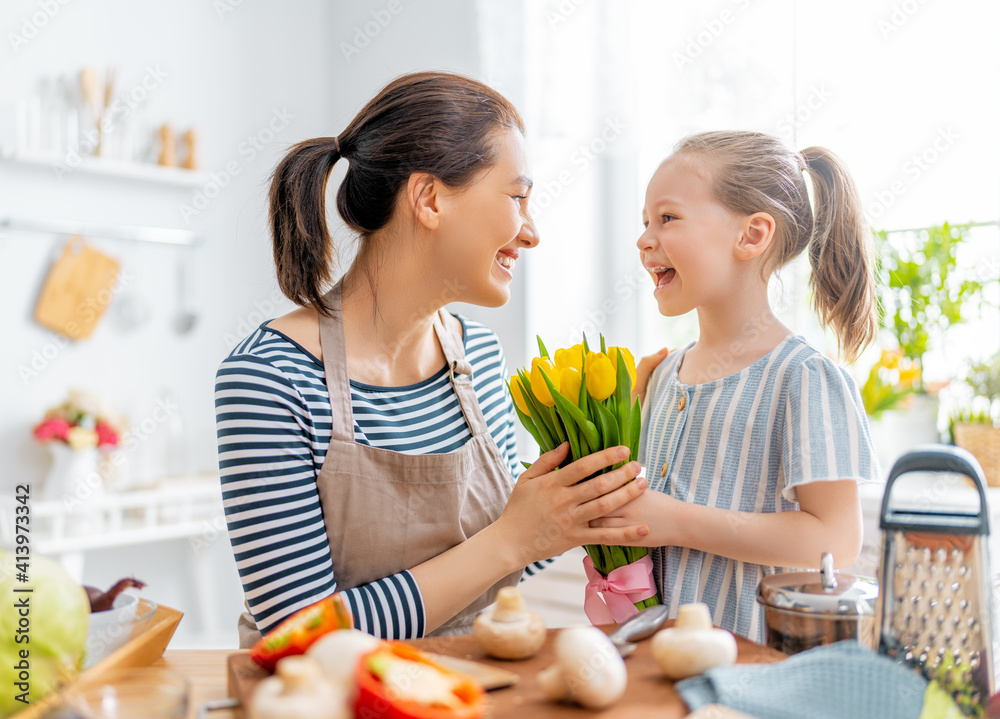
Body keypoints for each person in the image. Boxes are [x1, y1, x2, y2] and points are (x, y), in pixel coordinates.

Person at [215, 72, 649, 646]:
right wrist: (515, 539)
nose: (531, 232)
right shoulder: (270, 379)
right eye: (517, 197)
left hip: (474, 692)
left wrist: (584, 485)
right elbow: (298, 635)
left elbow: (505, 559)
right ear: (430, 198)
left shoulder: (477, 357)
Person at [592, 130, 879, 643]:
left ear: (751, 235)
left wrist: (674, 521)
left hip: (747, 675)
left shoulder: (803, 378)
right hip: (658, 666)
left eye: (668, 218)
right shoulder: (660, 377)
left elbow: (835, 539)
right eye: (644, 222)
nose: (644, 239)